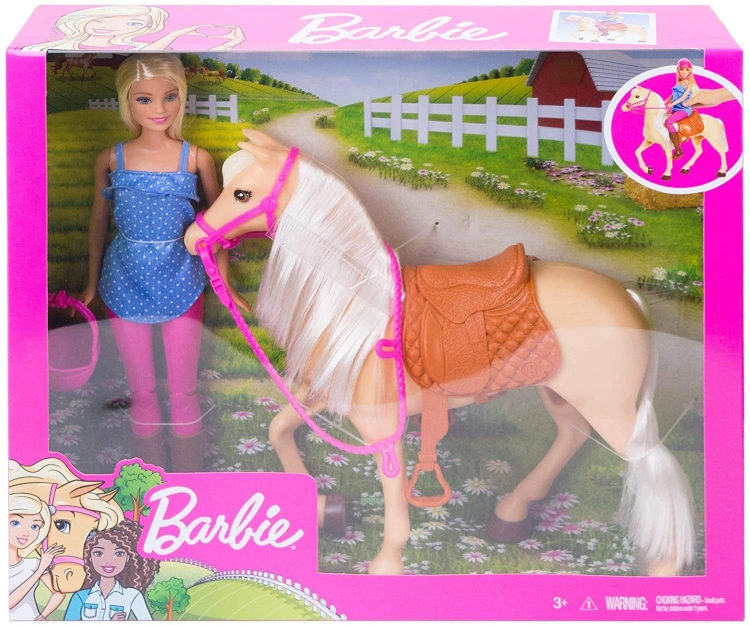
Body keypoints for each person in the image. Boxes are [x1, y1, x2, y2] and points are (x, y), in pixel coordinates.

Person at [79, 53, 246, 471]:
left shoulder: (195, 158)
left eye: (170, 97)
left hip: (181, 276)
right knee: (142, 391)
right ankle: (148, 478)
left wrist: (224, 283)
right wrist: (92, 283)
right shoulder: (112, 158)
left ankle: (189, 474)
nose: (160, 109)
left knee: (184, 390)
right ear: (127, 102)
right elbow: (98, 221)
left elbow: (215, 225)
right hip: (124, 277)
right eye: (145, 99)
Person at [64, 520, 159, 621]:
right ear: (89, 557)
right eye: (98, 553)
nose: (108, 561)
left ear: (128, 558)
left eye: (119, 554)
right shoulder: (81, 596)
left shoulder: (132, 595)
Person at [9, 493, 66, 620]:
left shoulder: (34, 563)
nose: (26, 533)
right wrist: (40, 569)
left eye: (35, 527)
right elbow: (8, 603)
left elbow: (59, 593)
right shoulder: (39, 566)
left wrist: (43, 615)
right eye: (15, 523)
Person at [664, 58, 700, 159]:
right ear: (678, 70)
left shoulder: (689, 85)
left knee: (668, 122)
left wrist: (671, 105)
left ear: (690, 71)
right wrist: (663, 103)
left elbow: (683, 98)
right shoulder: (678, 83)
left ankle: (678, 149)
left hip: (683, 109)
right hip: (675, 108)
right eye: (682, 69)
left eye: (687, 70)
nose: (684, 72)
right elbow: (672, 96)